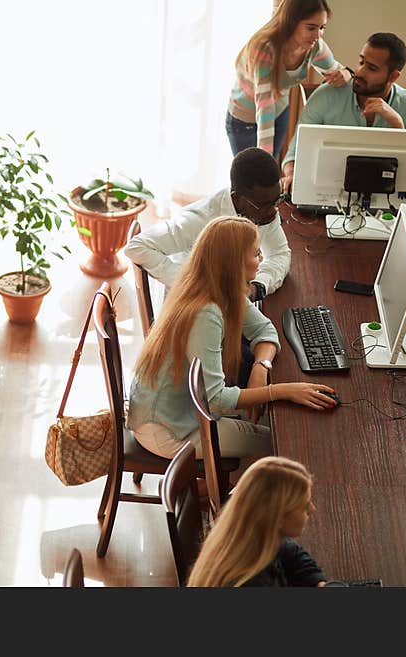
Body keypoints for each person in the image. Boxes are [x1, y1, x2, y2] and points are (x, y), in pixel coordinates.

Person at [126, 216, 337, 463]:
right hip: (169, 431)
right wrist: (282, 391)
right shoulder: (206, 313)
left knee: (273, 422)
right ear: (235, 263)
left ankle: (212, 483)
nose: (261, 261)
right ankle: (208, 489)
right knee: (285, 445)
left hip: (174, 412)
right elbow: (215, 401)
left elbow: (265, 330)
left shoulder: (214, 285)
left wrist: (261, 368)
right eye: (256, 254)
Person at [124, 147, 291, 303]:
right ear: (237, 197)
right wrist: (195, 285)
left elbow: (280, 254)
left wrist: (257, 287)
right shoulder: (199, 220)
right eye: (265, 205)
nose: (273, 212)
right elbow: (137, 246)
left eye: (277, 200)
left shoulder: (263, 209)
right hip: (190, 310)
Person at [281, 32, 406, 192]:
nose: (359, 72)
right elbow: (294, 155)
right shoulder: (326, 95)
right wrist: (291, 175)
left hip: (387, 204)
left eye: (372, 68)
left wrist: (396, 124)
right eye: (361, 61)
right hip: (328, 195)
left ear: (393, 76)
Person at [227, 0, 350, 159]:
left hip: (278, 112)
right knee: (250, 177)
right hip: (245, 118)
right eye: (311, 27)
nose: (318, 35)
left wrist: (346, 72)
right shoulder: (265, 49)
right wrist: (265, 160)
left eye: (322, 28)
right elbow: (265, 106)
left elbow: (335, 69)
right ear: (290, 23)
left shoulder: (315, 46)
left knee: (268, 173)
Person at [187, 456, 327, 587]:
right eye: (304, 506)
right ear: (277, 517)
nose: (312, 509)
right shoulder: (254, 581)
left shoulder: (249, 536)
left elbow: (291, 553)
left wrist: (318, 582)